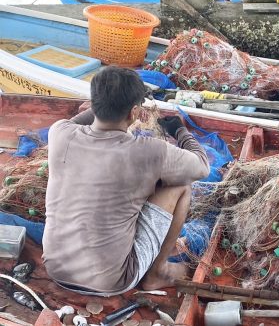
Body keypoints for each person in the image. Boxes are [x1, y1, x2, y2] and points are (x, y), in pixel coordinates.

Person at [43, 66, 210, 295]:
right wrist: (179, 130)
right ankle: (156, 273)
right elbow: (202, 167)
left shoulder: (59, 133)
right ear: (133, 113)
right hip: (112, 281)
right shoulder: (149, 151)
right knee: (181, 186)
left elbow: (80, 120)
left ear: (95, 102)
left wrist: (112, 100)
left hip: (56, 270)